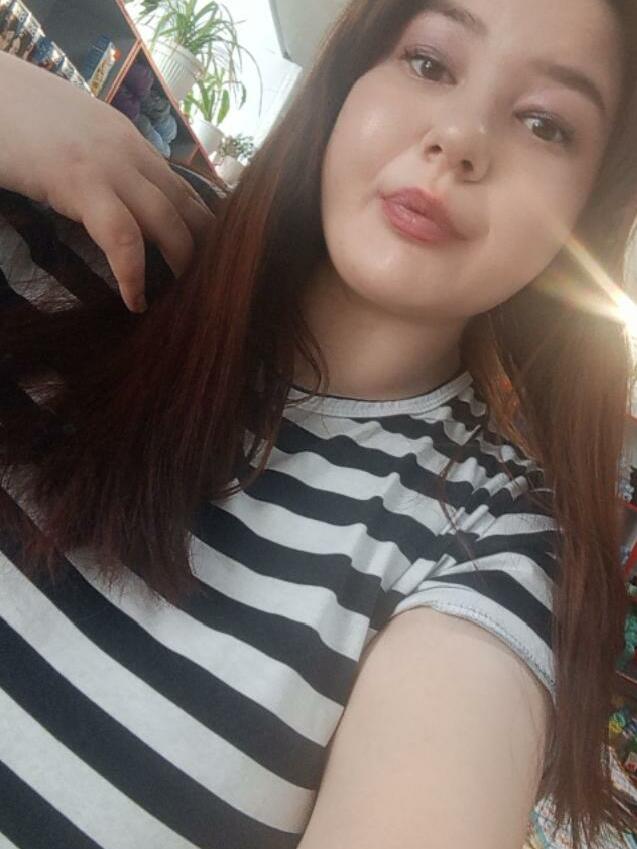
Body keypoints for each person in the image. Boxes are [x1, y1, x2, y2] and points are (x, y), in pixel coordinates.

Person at [1, 0, 636, 846]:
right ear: (349, 73)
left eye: (544, 124)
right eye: (429, 62)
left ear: (587, 212)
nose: (460, 137)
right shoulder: (95, 233)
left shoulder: (489, 544)